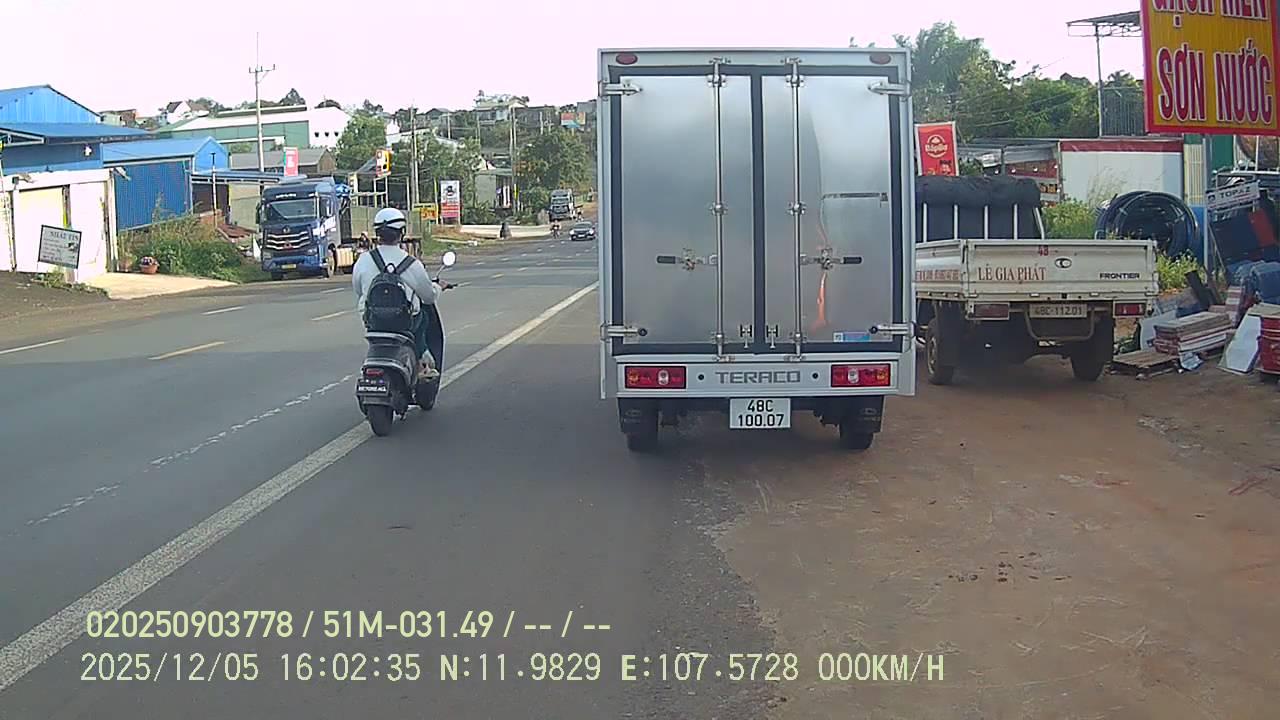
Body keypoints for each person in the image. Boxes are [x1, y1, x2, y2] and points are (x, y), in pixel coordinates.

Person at [352, 208, 449, 373]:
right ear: (401, 233)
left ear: (377, 233)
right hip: (405, 325)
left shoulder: (364, 260)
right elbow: (428, 297)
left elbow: (358, 290)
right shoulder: (412, 264)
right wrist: (438, 287)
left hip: (373, 322)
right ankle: (424, 360)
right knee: (424, 318)